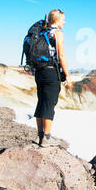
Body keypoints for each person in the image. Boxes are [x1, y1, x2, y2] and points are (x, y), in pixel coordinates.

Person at [33, 9, 73, 147]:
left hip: (39, 72)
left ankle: (39, 135)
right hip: (51, 72)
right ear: (56, 20)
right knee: (49, 104)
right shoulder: (58, 33)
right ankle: (47, 138)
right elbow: (61, 55)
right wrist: (67, 75)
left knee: (41, 101)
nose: (65, 22)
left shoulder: (41, 32)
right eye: (63, 20)